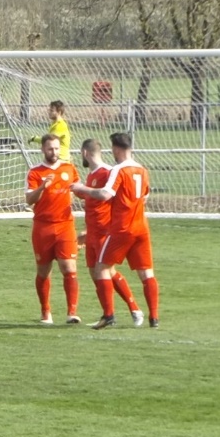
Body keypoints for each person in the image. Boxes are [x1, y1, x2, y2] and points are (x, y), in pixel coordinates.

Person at [71, 132, 160, 329]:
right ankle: (154, 318)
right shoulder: (142, 169)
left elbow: (105, 194)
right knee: (146, 273)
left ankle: (110, 315)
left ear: (116, 149)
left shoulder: (117, 170)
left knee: (102, 269)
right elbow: (145, 196)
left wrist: (82, 189)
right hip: (140, 226)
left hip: (121, 228)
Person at [26, 133, 81, 325]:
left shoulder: (69, 168)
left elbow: (79, 191)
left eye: (57, 148)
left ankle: (72, 312)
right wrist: (42, 187)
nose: (54, 152)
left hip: (65, 226)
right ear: (43, 149)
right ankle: (45, 311)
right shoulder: (35, 172)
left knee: (69, 268)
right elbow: (29, 200)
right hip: (43, 227)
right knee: (43, 271)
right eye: (50, 148)